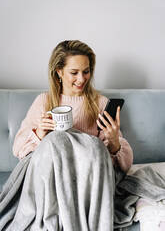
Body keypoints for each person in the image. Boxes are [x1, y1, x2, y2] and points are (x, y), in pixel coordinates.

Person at [13, 40, 133, 173]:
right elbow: (19, 149)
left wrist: (114, 142)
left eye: (86, 71)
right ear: (59, 72)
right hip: (56, 172)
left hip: (88, 172)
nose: (81, 79)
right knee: (55, 139)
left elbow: (124, 165)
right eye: (74, 73)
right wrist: (39, 134)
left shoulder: (100, 103)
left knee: (95, 147)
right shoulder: (44, 101)